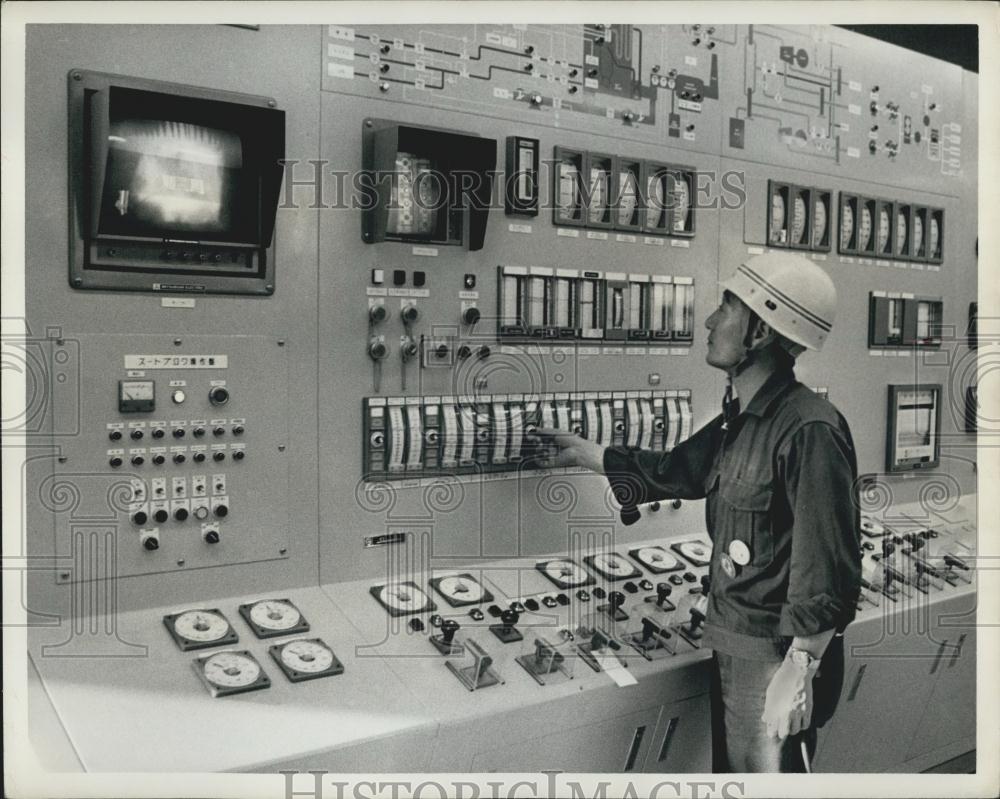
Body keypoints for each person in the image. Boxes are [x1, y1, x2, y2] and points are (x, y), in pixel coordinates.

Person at [537, 253, 862, 773]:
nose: (710, 321)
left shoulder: (808, 429)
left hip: (775, 656)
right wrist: (590, 454)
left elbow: (829, 567)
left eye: (727, 307)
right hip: (735, 639)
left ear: (758, 332)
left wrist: (799, 669)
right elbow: (680, 469)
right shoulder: (745, 417)